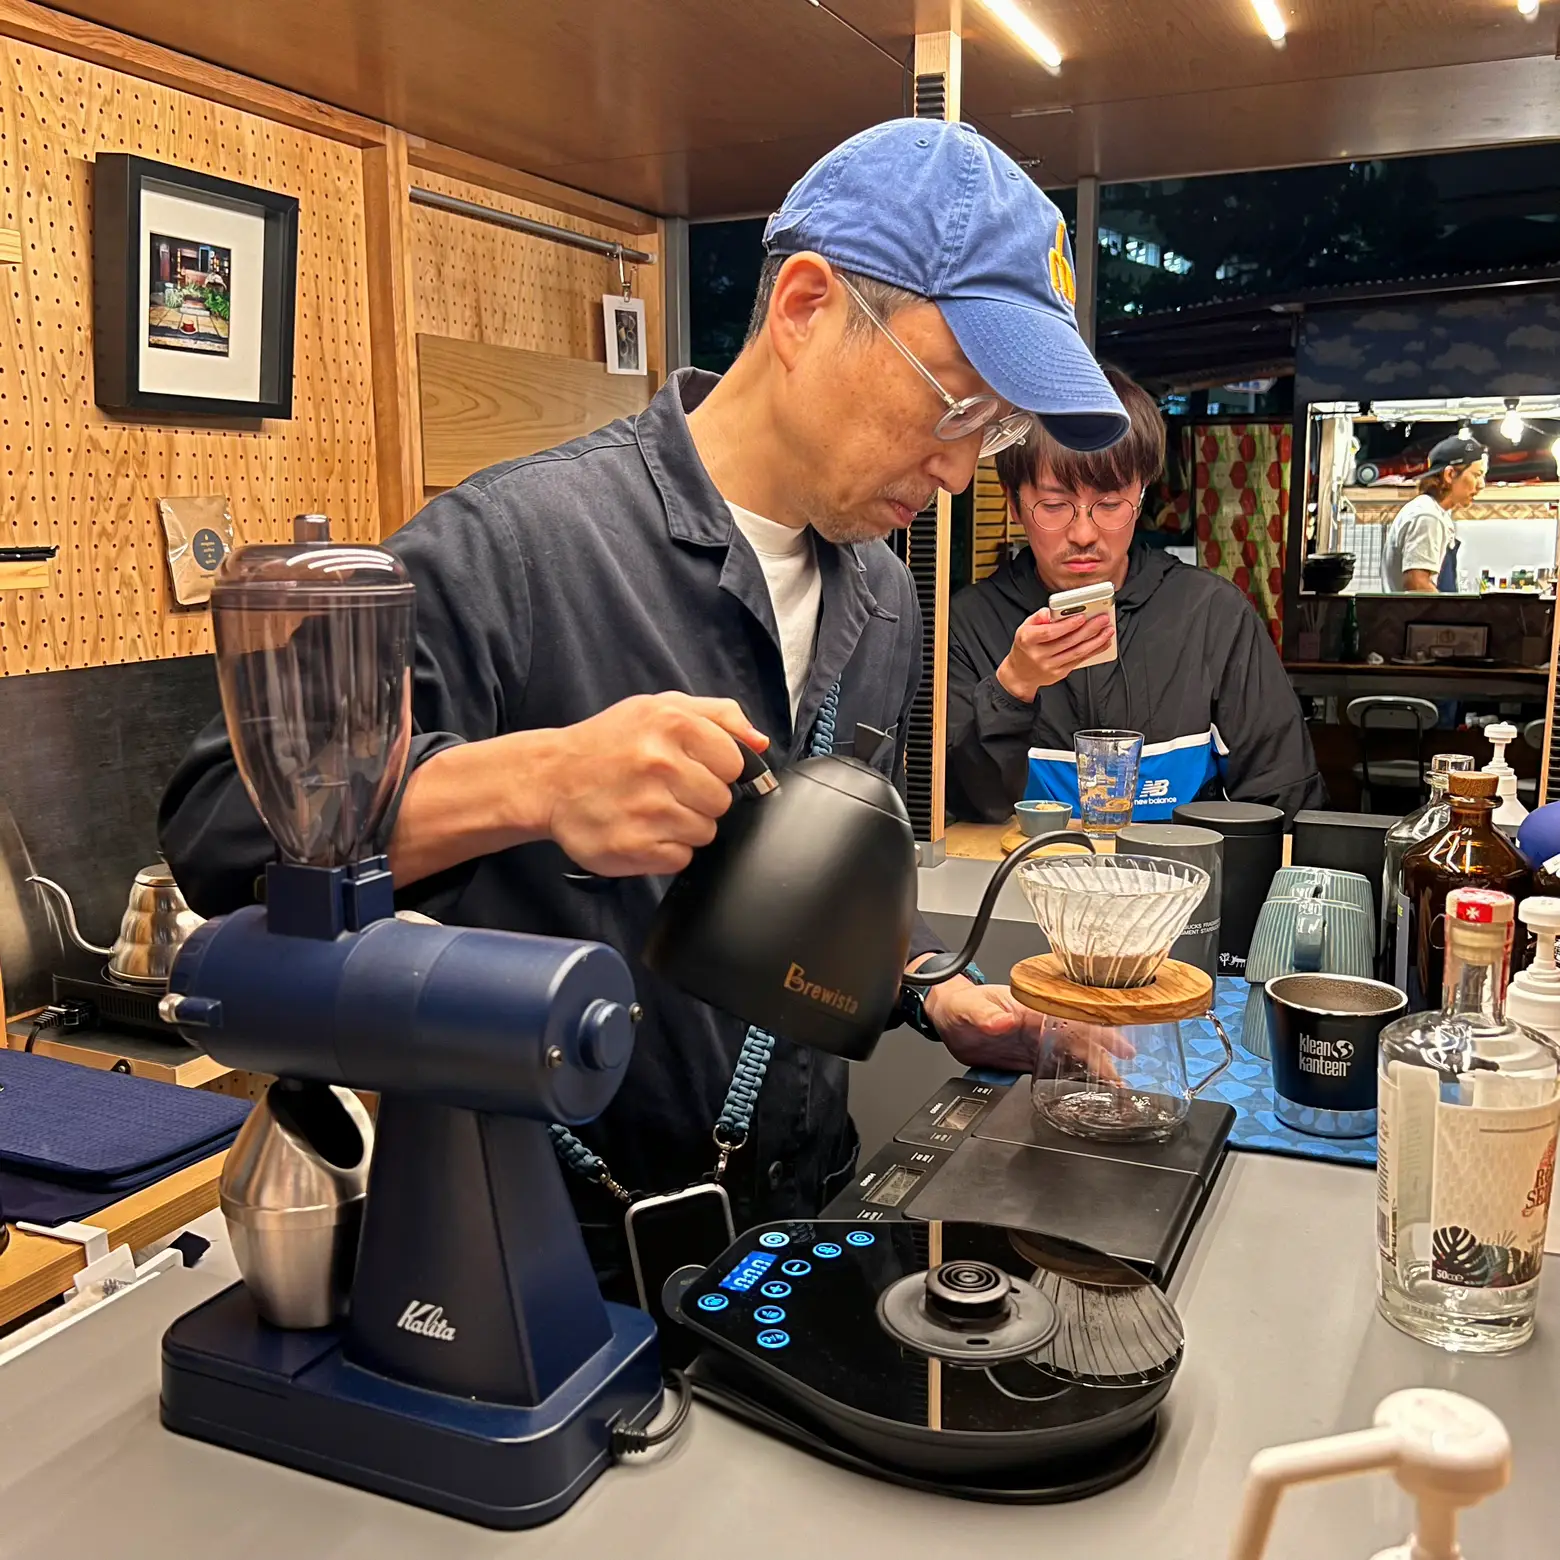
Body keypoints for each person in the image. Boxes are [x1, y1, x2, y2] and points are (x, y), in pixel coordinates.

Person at [158, 119, 1130, 1294]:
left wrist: (924, 987)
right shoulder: (516, 546)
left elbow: (794, 892)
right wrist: (537, 781)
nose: (964, 469)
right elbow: (219, 831)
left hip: (803, 1224)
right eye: (959, 406)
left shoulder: (882, 590)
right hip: (539, 1264)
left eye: (1000, 433)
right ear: (808, 307)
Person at [947, 367, 1324, 824]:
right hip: (1019, 885)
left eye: (1109, 504)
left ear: (1141, 497)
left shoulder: (1211, 615)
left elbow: (1282, 798)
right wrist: (1013, 688)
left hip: (1181, 883)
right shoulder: (966, 624)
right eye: (1053, 505)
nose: (1083, 533)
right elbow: (962, 807)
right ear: (1013, 503)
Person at [1379, 435, 1486, 593]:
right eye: (1477, 475)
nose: (1482, 485)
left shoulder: (1435, 512)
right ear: (1449, 475)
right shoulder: (1427, 516)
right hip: (1415, 618)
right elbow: (1417, 585)